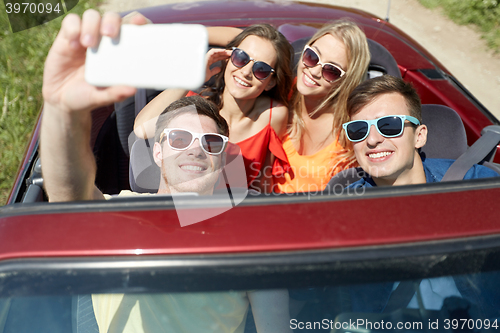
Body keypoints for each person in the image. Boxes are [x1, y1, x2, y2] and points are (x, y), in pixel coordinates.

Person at [40, 10, 291, 333]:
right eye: (179, 138)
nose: (195, 148)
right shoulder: (121, 213)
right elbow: (67, 193)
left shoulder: (252, 243)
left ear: (224, 157)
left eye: (210, 141)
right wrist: (61, 111)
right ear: (157, 151)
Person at [133, 24, 294, 193]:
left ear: (271, 82)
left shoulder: (273, 114)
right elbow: (141, 129)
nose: (246, 72)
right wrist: (191, 79)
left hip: (239, 213)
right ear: (227, 58)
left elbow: (263, 181)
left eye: (261, 69)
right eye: (241, 57)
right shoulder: (195, 107)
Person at [343, 75, 499, 189]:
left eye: (389, 125)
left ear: (419, 136)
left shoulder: (479, 184)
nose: (372, 140)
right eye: (359, 129)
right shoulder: (344, 209)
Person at [272, 21, 371, 193]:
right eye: (312, 56)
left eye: (331, 70)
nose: (315, 71)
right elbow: (257, 42)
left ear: (346, 82)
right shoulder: (281, 89)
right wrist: (207, 33)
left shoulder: (351, 135)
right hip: (258, 207)